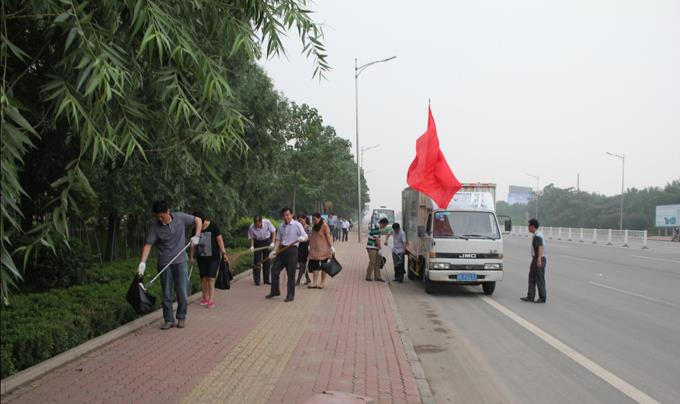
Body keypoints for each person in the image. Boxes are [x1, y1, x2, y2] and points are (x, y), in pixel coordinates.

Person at [137, 201, 202, 330]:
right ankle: (168, 320)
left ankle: (181, 317)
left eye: (162, 216)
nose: (160, 219)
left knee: (182, 292)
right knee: (166, 293)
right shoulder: (154, 227)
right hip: (164, 263)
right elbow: (148, 244)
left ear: (168, 211)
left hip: (181, 262)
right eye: (157, 217)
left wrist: (197, 236)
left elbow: (198, 220)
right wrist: (142, 262)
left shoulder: (180, 218)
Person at [266, 208, 308, 302]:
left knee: (291, 274)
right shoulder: (281, 226)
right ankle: (274, 291)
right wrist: (274, 251)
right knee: (274, 270)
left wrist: (302, 238)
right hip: (282, 250)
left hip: (292, 251)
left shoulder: (297, 225)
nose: (286, 217)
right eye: (284, 215)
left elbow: (305, 236)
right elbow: (278, 239)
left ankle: (290, 295)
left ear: (292, 215)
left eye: (287, 215)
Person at [190, 212, 228, 309]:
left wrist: (224, 253)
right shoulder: (195, 230)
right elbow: (193, 244)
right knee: (203, 278)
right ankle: (205, 298)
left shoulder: (213, 226)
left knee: (211, 278)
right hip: (201, 258)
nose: (197, 225)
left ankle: (211, 300)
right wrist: (191, 257)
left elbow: (219, 240)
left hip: (213, 258)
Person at [521, 219, 547, 303]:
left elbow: (540, 247)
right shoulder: (537, 234)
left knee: (539, 278)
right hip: (536, 258)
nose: (528, 227)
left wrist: (539, 260)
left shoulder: (538, 235)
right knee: (532, 277)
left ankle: (542, 297)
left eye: (529, 226)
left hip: (539, 258)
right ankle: (530, 296)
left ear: (532, 226)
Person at [308, 212, 334, 289]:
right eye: (312, 219)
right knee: (315, 267)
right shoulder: (314, 226)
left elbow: (328, 236)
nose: (313, 221)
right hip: (314, 250)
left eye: (315, 219)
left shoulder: (324, 225)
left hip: (324, 250)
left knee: (324, 267)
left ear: (319, 218)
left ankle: (322, 283)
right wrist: (309, 244)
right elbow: (312, 236)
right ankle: (314, 282)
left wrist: (331, 247)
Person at [248, 215, 276, 286]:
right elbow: (252, 237)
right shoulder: (251, 227)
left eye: (258, 224)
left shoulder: (267, 222)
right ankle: (257, 280)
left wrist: (272, 243)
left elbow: (273, 232)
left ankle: (266, 279)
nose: (257, 226)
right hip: (257, 242)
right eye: (256, 224)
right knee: (257, 262)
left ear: (261, 222)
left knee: (267, 260)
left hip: (267, 241)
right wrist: (252, 246)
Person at [366, 217, 389, 282]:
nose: (385, 227)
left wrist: (379, 248)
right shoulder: (376, 228)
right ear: (382, 223)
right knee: (372, 262)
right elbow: (377, 239)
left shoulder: (378, 228)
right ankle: (368, 276)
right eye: (385, 225)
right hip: (371, 248)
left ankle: (377, 277)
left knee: (378, 262)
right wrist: (380, 248)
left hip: (376, 248)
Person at [295, 214, 313, 286]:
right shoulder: (298, 228)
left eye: (301, 220)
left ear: (305, 219)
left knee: (302, 265)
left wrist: (305, 239)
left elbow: (311, 238)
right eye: (298, 220)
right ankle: (308, 279)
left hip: (306, 247)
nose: (300, 222)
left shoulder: (309, 228)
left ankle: (298, 280)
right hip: (299, 247)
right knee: (302, 264)